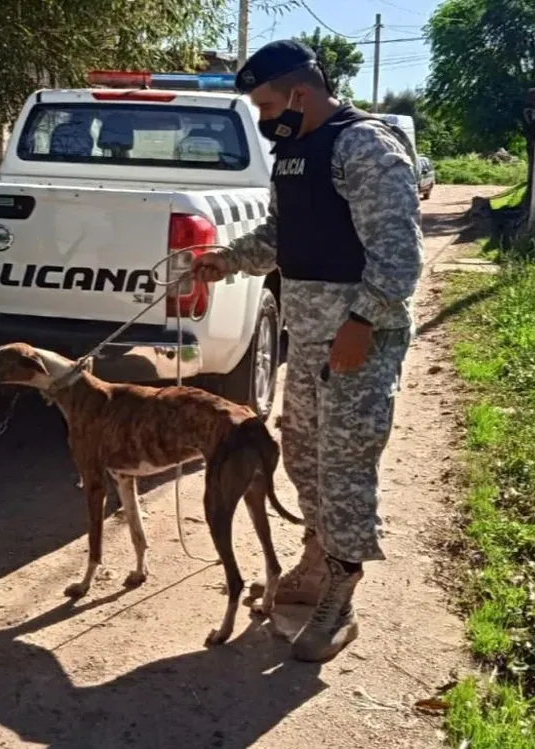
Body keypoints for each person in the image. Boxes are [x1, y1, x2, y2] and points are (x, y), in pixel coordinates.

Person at [191, 39, 424, 662]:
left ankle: (340, 600)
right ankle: (320, 560)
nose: (263, 119)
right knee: (302, 457)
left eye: (267, 105)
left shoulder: (365, 147)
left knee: (345, 468)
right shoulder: (293, 151)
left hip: (358, 344)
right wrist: (227, 261)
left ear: (300, 91)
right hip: (311, 342)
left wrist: (363, 323)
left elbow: (400, 253)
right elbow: (280, 236)